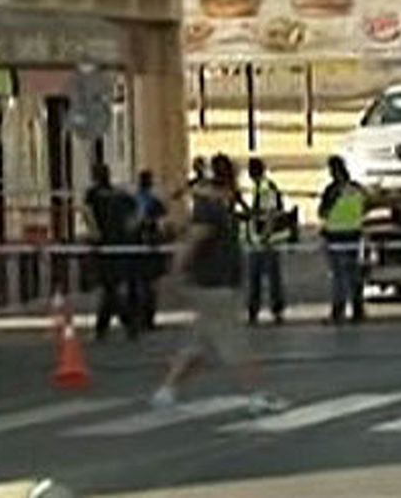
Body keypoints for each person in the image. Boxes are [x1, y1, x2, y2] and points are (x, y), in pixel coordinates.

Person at [150, 154, 287, 415]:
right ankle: (256, 395)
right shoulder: (210, 210)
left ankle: (166, 391)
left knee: (199, 344)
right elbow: (193, 241)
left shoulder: (218, 206)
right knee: (234, 343)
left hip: (217, 283)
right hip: (214, 285)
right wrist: (174, 273)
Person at [83, 163, 141, 341]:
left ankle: (124, 324)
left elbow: (88, 215)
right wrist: (129, 230)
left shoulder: (92, 195)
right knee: (112, 286)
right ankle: (112, 326)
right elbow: (137, 212)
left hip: (104, 245)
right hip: (122, 244)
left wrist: (94, 235)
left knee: (110, 287)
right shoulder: (120, 193)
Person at [318, 156, 367, 325]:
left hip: (336, 237)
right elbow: (364, 207)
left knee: (338, 277)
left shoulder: (332, 190)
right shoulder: (356, 189)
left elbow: (323, 212)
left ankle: (338, 311)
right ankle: (358, 309)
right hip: (353, 235)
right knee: (353, 275)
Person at [246, 158, 287, 326]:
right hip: (259, 241)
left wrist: (264, 237)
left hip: (266, 241)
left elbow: (270, 215)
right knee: (258, 278)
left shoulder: (265, 188)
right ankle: (257, 310)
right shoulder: (259, 188)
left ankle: (273, 309)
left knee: (267, 278)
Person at [134, 169, 169, 330]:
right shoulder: (153, 201)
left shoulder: (134, 200)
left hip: (136, 245)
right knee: (151, 285)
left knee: (140, 283)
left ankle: (139, 316)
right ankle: (148, 318)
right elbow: (162, 224)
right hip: (151, 245)